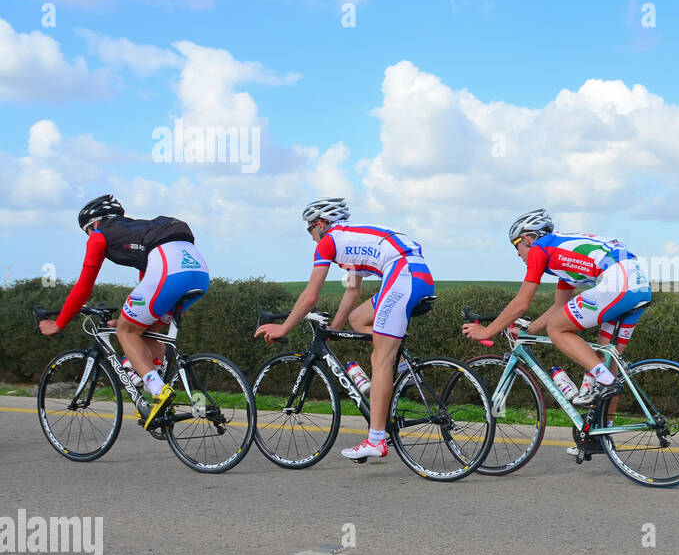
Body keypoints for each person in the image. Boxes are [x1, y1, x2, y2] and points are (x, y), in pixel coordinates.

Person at [253, 198, 434, 462]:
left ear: (320, 224)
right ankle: (402, 366)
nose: (311, 237)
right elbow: (353, 292)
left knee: (380, 360)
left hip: (402, 274)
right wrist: (333, 330)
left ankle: (376, 440)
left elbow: (309, 297)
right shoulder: (349, 240)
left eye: (309, 230)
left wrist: (284, 327)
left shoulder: (329, 242)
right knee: (357, 319)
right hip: (417, 274)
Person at [460, 210, 651, 455]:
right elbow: (559, 306)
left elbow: (521, 303)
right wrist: (526, 330)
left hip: (617, 281)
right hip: (637, 284)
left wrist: (487, 331)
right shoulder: (562, 255)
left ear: (528, 238)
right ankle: (603, 434)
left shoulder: (540, 249)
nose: (517, 254)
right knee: (605, 359)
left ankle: (605, 383)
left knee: (558, 330)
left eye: (516, 246)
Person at [39, 194, 210, 429]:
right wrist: (129, 317)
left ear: (94, 224)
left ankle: (158, 389)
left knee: (125, 332)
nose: (88, 237)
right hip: (197, 270)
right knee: (147, 329)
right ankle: (157, 397)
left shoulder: (99, 235)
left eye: (86, 232)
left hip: (168, 270)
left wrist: (59, 322)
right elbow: (145, 279)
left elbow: (84, 286)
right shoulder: (137, 230)